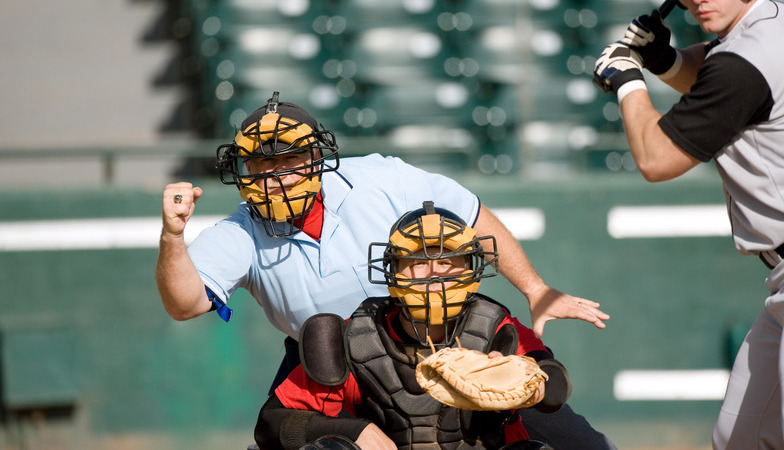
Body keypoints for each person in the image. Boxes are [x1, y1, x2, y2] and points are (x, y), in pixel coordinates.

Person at [156, 91, 608, 391]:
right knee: (284, 432)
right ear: (243, 173)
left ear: (316, 157)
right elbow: (184, 303)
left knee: (567, 435)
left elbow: (470, 216)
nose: (274, 178)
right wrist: (173, 235)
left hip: (429, 338)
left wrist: (535, 289)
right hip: (328, 364)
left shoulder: (379, 178)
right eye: (260, 167)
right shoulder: (241, 230)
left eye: (289, 161)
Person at [593, 0, 784, 448]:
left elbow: (656, 158)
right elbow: (718, 79)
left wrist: (629, 81)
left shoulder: (748, 59)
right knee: (738, 438)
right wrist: (664, 60)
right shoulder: (778, 20)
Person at [254, 202, 612, 449]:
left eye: (450, 259)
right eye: (418, 261)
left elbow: (556, 386)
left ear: (471, 269)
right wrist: (353, 429)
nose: (436, 274)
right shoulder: (357, 337)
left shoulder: (494, 327)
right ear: (393, 273)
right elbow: (271, 425)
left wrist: (532, 386)